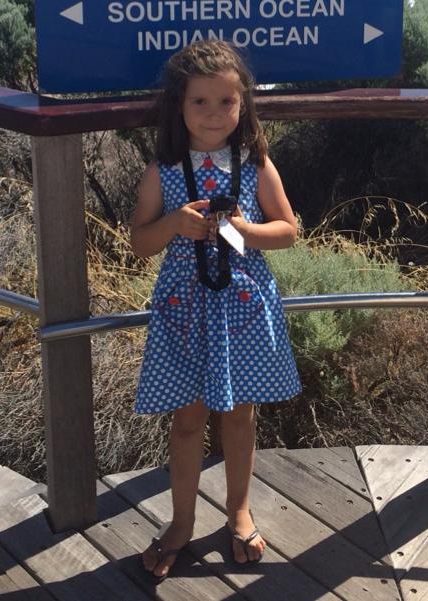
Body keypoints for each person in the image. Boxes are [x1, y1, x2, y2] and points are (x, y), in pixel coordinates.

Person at [131, 39, 301, 581]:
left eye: (226, 102)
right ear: (178, 107)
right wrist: (174, 225)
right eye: (200, 102)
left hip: (244, 312)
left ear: (243, 105)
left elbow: (288, 231)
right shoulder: (164, 170)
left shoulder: (254, 164)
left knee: (241, 414)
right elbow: (140, 241)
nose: (214, 114)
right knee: (187, 422)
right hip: (186, 316)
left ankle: (238, 510)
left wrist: (245, 231)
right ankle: (181, 522)